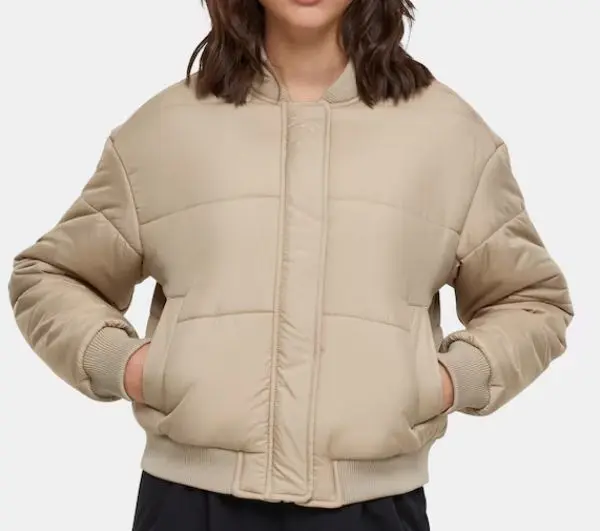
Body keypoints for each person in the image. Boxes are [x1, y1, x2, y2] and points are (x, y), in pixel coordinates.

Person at [8, 0, 574, 530]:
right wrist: (130, 366)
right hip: (188, 503)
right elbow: (51, 276)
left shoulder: (448, 135)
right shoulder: (165, 130)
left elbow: (530, 301)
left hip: (375, 507)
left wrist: (447, 381)